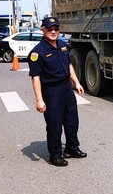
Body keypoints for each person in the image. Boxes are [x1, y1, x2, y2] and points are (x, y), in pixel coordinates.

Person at [29, 16, 86, 167]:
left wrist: (77, 83)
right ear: (43, 30)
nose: (53, 32)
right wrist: (39, 100)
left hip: (67, 88)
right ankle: (55, 154)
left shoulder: (62, 45)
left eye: (56, 29)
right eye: (50, 29)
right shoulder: (37, 52)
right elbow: (35, 77)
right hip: (51, 91)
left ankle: (72, 148)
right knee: (54, 124)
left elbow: (69, 66)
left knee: (72, 120)